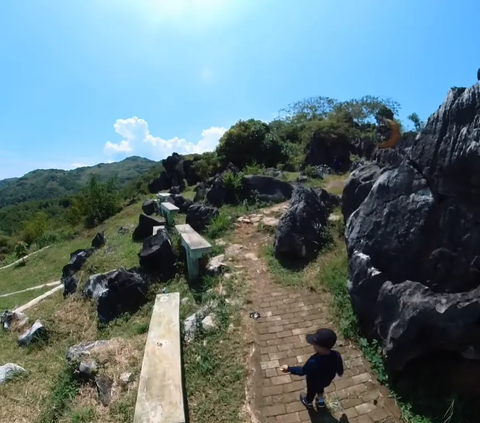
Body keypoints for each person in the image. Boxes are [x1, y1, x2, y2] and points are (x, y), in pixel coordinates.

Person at [280, 328, 343, 409]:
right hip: (326, 381)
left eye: (314, 344)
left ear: (322, 347)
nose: (313, 345)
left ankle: (308, 402)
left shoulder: (313, 362)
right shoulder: (336, 355)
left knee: (311, 392)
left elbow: (302, 371)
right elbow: (340, 370)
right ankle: (320, 401)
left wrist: (289, 369)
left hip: (313, 383)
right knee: (321, 388)